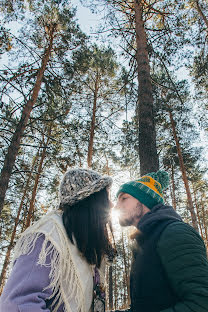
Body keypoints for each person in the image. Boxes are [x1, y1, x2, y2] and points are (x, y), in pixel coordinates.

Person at [0, 168, 114, 312]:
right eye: (106, 198)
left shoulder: (84, 244)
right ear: (89, 202)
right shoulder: (48, 237)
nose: (112, 205)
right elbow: (17, 304)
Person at [116, 170, 208, 312]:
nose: (116, 207)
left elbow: (201, 302)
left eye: (124, 198)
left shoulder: (175, 232)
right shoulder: (145, 242)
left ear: (143, 200)